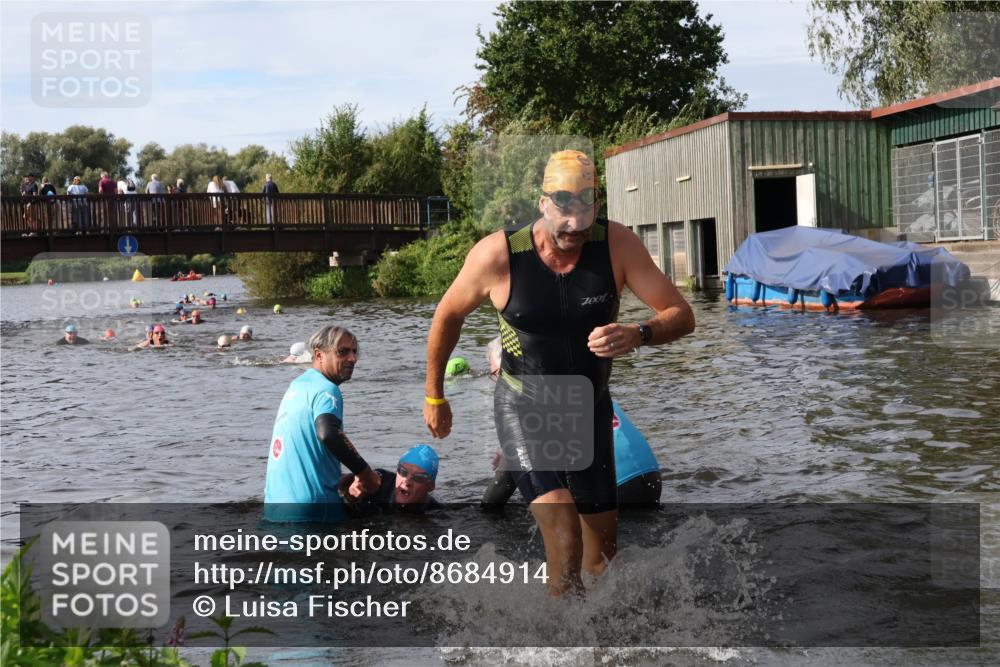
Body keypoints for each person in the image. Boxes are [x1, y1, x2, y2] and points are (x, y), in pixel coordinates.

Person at [422, 149, 695, 596]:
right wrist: (435, 394)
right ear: (544, 202)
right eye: (565, 216)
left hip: (587, 409)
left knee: (602, 559)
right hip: (524, 407)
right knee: (565, 536)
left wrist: (639, 332)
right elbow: (446, 317)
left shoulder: (617, 245)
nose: (574, 231)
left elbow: (681, 315)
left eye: (585, 220)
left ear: (597, 208)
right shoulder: (499, 255)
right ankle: (554, 646)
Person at [480, 338, 661, 509]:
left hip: (615, 488)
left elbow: (505, 479)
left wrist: (484, 513)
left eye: (497, 374)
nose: (497, 383)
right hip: (650, 476)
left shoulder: (525, 398)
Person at [263, 325, 380, 523]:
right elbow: (328, 433)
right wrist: (365, 473)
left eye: (354, 352)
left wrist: (339, 479)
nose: (352, 358)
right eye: (343, 352)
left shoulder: (297, 386)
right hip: (313, 510)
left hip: (274, 508)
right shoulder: (327, 389)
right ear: (319, 355)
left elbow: (306, 452)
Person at [340, 444, 441, 513]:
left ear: (431, 486)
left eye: (419, 477)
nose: (407, 482)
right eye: (403, 471)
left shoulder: (434, 512)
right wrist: (349, 497)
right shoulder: (380, 483)